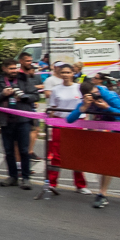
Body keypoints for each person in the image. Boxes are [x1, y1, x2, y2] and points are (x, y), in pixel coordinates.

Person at [67, 79, 120, 209]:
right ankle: (102, 194)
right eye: (93, 95)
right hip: (113, 130)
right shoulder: (87, 101)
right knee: (107, 161)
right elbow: (69, 120)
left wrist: (107, 107)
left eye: (96, 92)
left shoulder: (109, 96)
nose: (96, 96)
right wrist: (83, 107)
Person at [0, 59, 39, 189]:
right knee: (8, 150)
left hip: (22, 120)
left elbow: (36, 95)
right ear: (4, 69)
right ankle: (13, 176)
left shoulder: (24, 79)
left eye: (15, 68)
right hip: (6, 121)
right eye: (11, 69)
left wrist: (24, 97)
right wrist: (3, 94)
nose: (14, 71)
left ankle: (26, 178)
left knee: (24, 150)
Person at [45, 64, 90, 194]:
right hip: (60, 124)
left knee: (77, 154)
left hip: (77, 124)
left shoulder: (79, 88)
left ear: (73, 73)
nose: (65, 75)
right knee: (57, 155)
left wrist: (86, 123)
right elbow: (52, 109)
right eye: (63, 72)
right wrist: (50, 123)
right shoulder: (56, 89)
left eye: (68, 72)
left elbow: (85, 107)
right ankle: (52, 183)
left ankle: (80, 185)